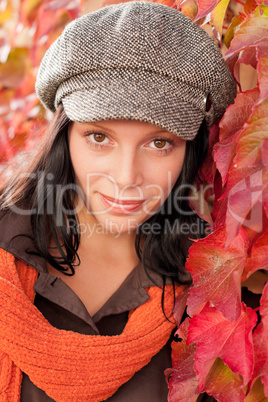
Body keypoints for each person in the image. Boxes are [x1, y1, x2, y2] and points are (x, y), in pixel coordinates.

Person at [0, 1, 236, 401]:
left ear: (189, 152)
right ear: (64, 137)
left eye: (160, 143)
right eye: (99, 137)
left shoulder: (216, 286)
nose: (127, 178)